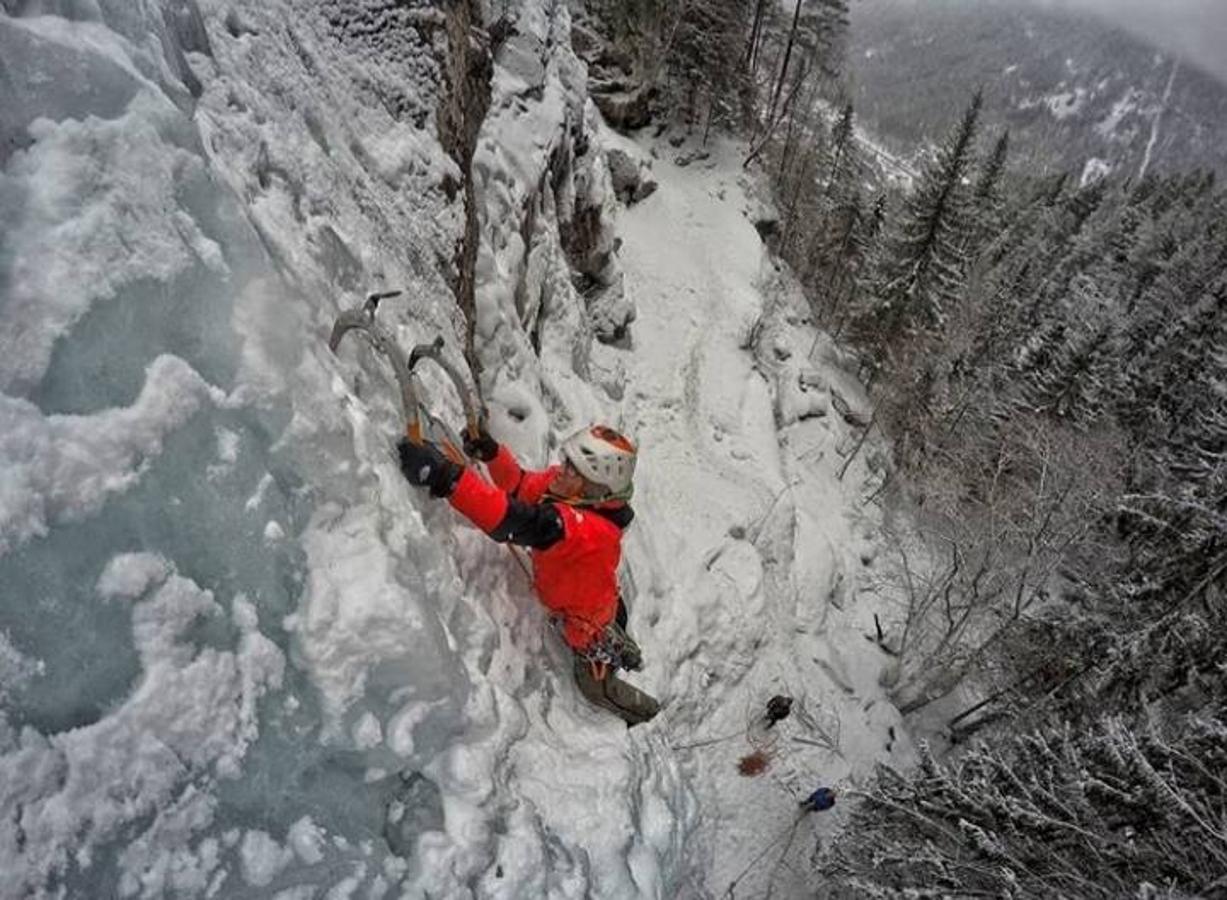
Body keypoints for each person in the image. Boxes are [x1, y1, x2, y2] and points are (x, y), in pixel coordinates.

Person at [396, 422, 661, 726]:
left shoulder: (582, 531)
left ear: (596, 489)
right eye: (568, 462)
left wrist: (446, 478)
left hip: (590, 625)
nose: (562, 470)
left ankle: (649, 715)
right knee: (609, 622)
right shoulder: (569, 490)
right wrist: (493, 455)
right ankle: (624, 647)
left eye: (574, 470)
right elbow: (522, 486)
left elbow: (510, 519)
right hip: (598, 600)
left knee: (596, 688)